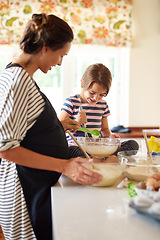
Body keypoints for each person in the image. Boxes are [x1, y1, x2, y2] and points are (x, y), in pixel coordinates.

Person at [0, 13, 103, 240]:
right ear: (45, 47)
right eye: (61, 55)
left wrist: (57, 126)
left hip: (35, 188)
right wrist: (64, 166)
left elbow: (26, 129)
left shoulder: (23, 79)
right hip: (24, 194)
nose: (59, 63)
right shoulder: (16, 81)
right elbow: (6, 148)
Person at [59, 63, 139, 158]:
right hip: (78, 147)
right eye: (92, 92)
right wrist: (76, 122)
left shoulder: (103, 105)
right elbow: (59, 128)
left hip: (98, 147)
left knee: (133, 144)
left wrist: (110, 137)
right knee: (70, 151)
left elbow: (105, 130)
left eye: (101, 95)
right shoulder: (71, 102)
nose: (96, 98)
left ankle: (101, 158)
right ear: (82, 83)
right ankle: (105, 159)